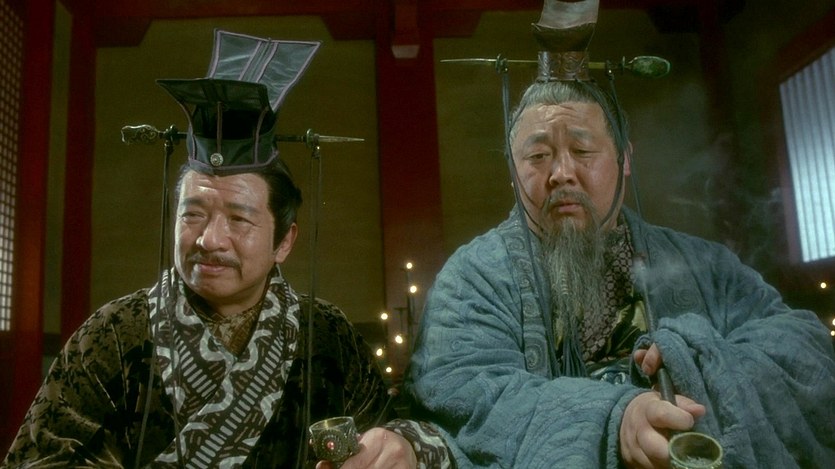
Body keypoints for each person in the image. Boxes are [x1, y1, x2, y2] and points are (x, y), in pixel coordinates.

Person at [405, 2, 835, 468]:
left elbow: (804, 349)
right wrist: (616, 420)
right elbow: (465, 395)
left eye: (582, 150)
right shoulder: (472, 280)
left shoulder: (703, 264)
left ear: (625, 159)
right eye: (538, 156)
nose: (561, 173)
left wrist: (694, 357)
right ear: (512, 171)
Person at [3, 30, 452, 469]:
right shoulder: (114, 335)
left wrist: (403, 446)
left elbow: (390, 436)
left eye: (238, 219)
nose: (209, 240)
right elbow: (42, 457)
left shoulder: (327, 336)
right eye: (192, 215)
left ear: (284, 241)